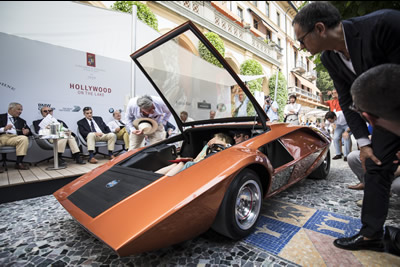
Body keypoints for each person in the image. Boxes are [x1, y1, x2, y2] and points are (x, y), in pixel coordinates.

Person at [293, 2, 400, 252]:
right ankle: (371, 234)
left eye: (301, 40)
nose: (300, 47)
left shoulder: (385, 24)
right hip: (385, 121)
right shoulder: (330, 58)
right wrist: (363, 142)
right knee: (375, 165)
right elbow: (347, 100)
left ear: (319, 28)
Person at [156, 133, 233, 176]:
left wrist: (220, 143)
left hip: (206, 167)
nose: (212, 139)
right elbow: (199, 158)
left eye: (214, 138)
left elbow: (229, 148)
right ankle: (157, 177)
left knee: (185, 164)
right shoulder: (208, 146)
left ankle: (166, 180)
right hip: (199, 163)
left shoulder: (223, 147)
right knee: (178, 164)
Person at [0, 102, 31, 171]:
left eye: (21, 110)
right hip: (1, 136)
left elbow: (30, 131)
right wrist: (4, 129)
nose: (20, 112)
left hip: (14, 138)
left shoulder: (21, 121)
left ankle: (19, 163)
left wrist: (27, 131)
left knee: (24, 138)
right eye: (18, 109)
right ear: (10, 109)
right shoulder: (1, 117)